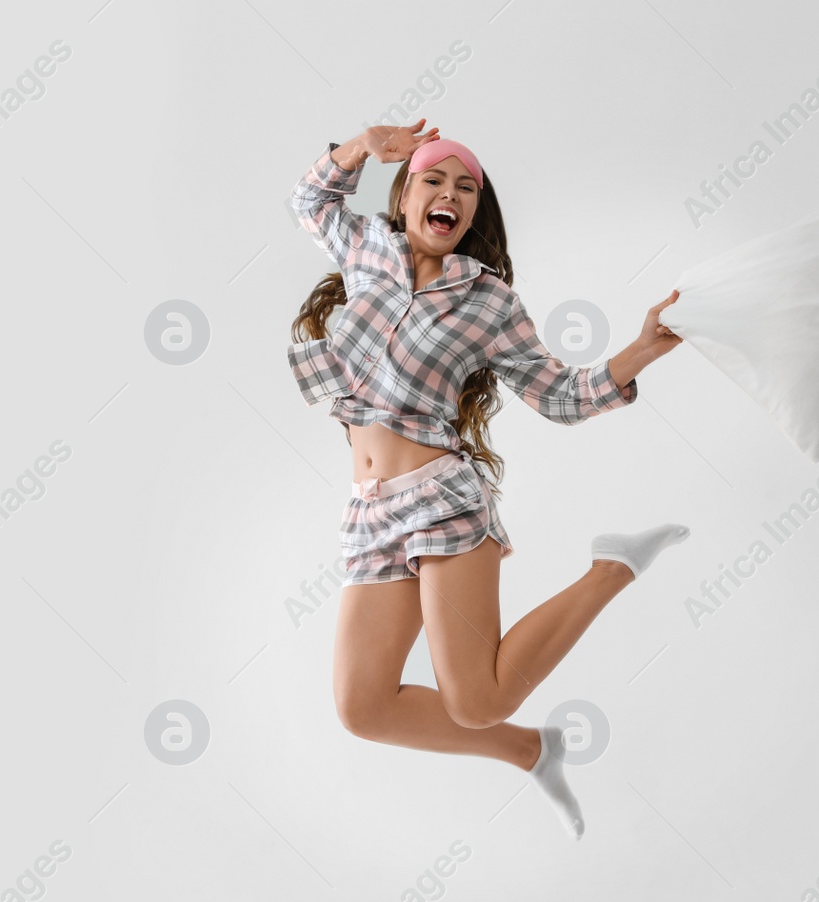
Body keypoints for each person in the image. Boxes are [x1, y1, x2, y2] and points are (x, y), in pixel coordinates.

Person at [287, 119, 688, 840]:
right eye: (436, 180)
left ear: (472, 215)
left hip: (439, 499)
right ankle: (530, 750)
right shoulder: (365, 250)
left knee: (476, 699)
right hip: (369, 512)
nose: (451, 195)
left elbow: (560, 395)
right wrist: (359, 148)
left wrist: (641, 349)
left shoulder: (487, 301)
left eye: (466, 189)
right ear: (405, 195)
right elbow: (310, 200)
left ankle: (611, 566)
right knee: (363, 708)